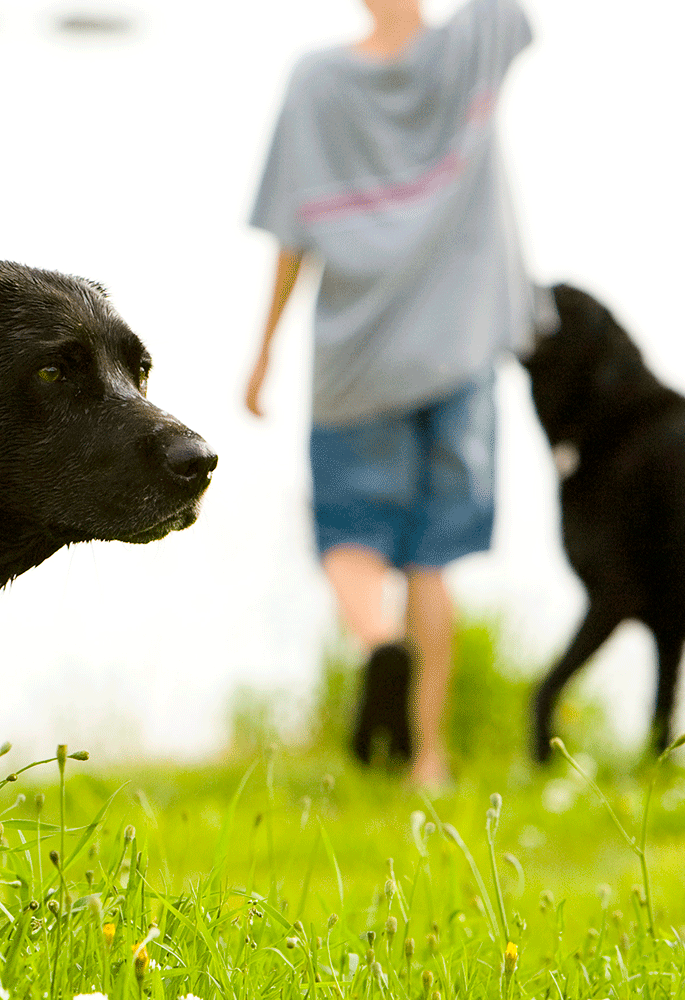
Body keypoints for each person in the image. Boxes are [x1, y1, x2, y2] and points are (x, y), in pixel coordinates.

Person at [245, 0, 543, 788]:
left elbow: (292, 232)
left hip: (357, 356)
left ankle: (378, 643)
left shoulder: (318, 82)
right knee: (430, 555)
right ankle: (430, 760)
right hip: (457, 352)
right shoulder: (469, 51)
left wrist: (264, 350)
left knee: (350, 531)